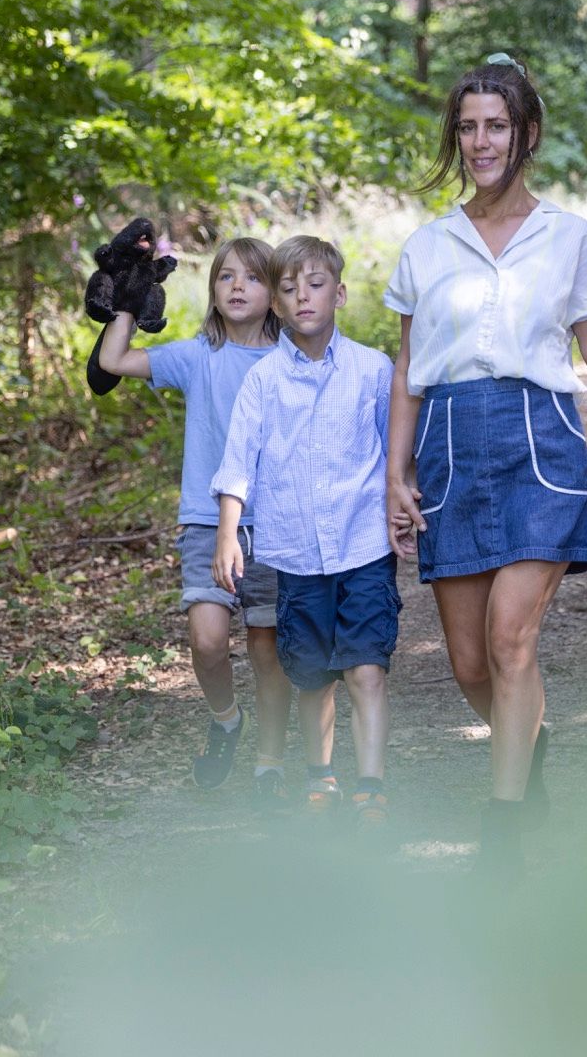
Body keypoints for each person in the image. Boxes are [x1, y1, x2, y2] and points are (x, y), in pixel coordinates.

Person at [383, 54, 587, 874]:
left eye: (496, 127)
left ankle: (503, 824)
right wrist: (395, 472)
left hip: (539, 444)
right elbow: (407, 369)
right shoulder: (427, 246)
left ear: (526, 134)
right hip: (446, 446)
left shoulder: (567, 237)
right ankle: (527, 742)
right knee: (469, 661)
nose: (480, 142)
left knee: (511, 639)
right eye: (467, 127)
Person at [212, 236, 400, 830]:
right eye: (289, 290)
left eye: (315, 285)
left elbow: (395, 454)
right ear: (277, 305)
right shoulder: (263, 381)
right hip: (293, 553)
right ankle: (322, 777)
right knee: (312, 675)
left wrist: (403, 505)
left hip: (363, 546)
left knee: (366, 668)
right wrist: (227, 533)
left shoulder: (373, 369)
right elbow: (238, 461)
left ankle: (371, 787)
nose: (303, 298)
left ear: (338, 293)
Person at [97, 237, 292, 803]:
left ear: (274, 292)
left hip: (276, 525)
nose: (237, 286)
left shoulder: (292, 359)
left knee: (268, 651)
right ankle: (227, 721)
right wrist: (128, 301)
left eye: (252, 277)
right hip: (208, 522)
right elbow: (112, 362)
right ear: (212, 290)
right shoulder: (197, 355)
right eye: (226, 276)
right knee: (207, 642)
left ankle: (270, 763)